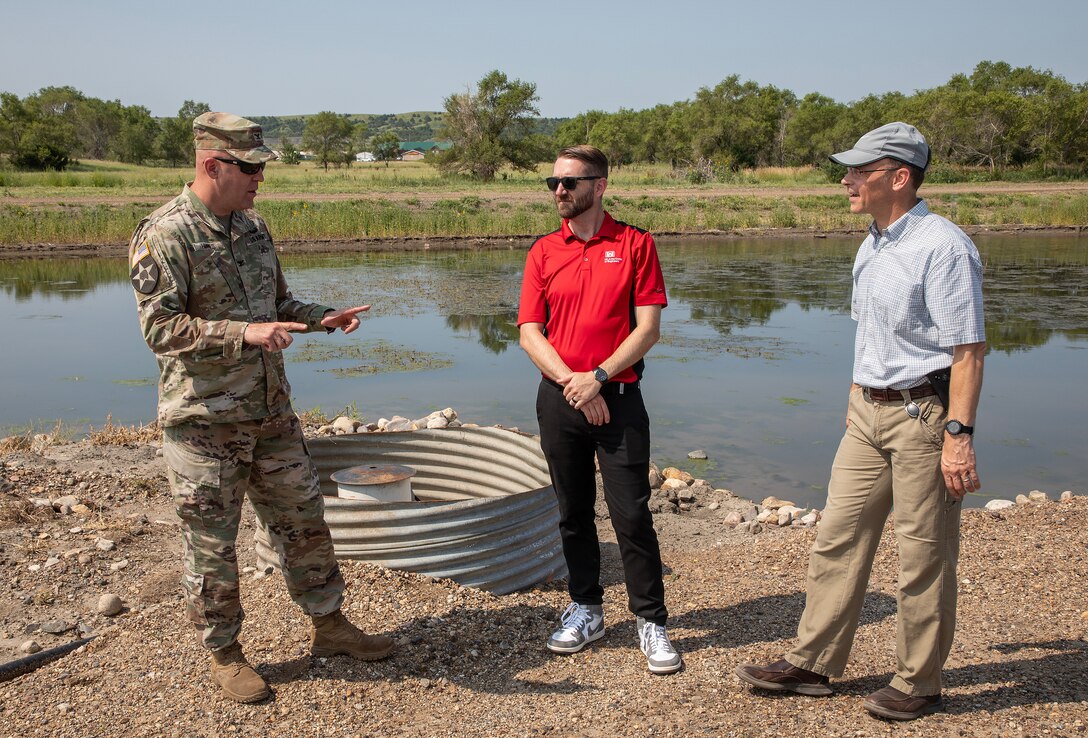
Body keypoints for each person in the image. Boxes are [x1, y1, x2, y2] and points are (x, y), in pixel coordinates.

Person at [128, 112, 394, 704]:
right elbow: (160, 328)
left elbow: (279, 302)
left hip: (271, 413)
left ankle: (329, 626)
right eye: (248, 168)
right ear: (210, 165)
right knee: (213, 545)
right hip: (204, 424)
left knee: (303, 522)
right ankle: (225, 654)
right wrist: (243, 334)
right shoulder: (165, 234)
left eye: (260, 167)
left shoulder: (252, 229)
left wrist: (320, 317)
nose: (258, 179)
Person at [736, 122, 986, 720]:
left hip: (924, 415)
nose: (846, 180)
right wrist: (855, 395)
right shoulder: (873, 241)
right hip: (867, 413)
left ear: (899, 178)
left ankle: (919, 682)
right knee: (836, 538)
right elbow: (870, 330)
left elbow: (968, 351)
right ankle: (813, 663)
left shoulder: (945, 247)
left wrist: (958, 437)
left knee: (922, 554)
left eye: (859, 171)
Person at [517, 145, 681, 674]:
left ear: (600, 185)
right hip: (561, 398)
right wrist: (574, 384)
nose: (558, 192)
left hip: (619, 397)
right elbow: (529, 332)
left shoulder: (635, 244)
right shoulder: (544, 251)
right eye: (553, 183)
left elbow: (648, 329)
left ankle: (651, 622)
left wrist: (600, 378)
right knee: (572, 511)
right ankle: (586, 609)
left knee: (632, 513)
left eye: (569, 183)